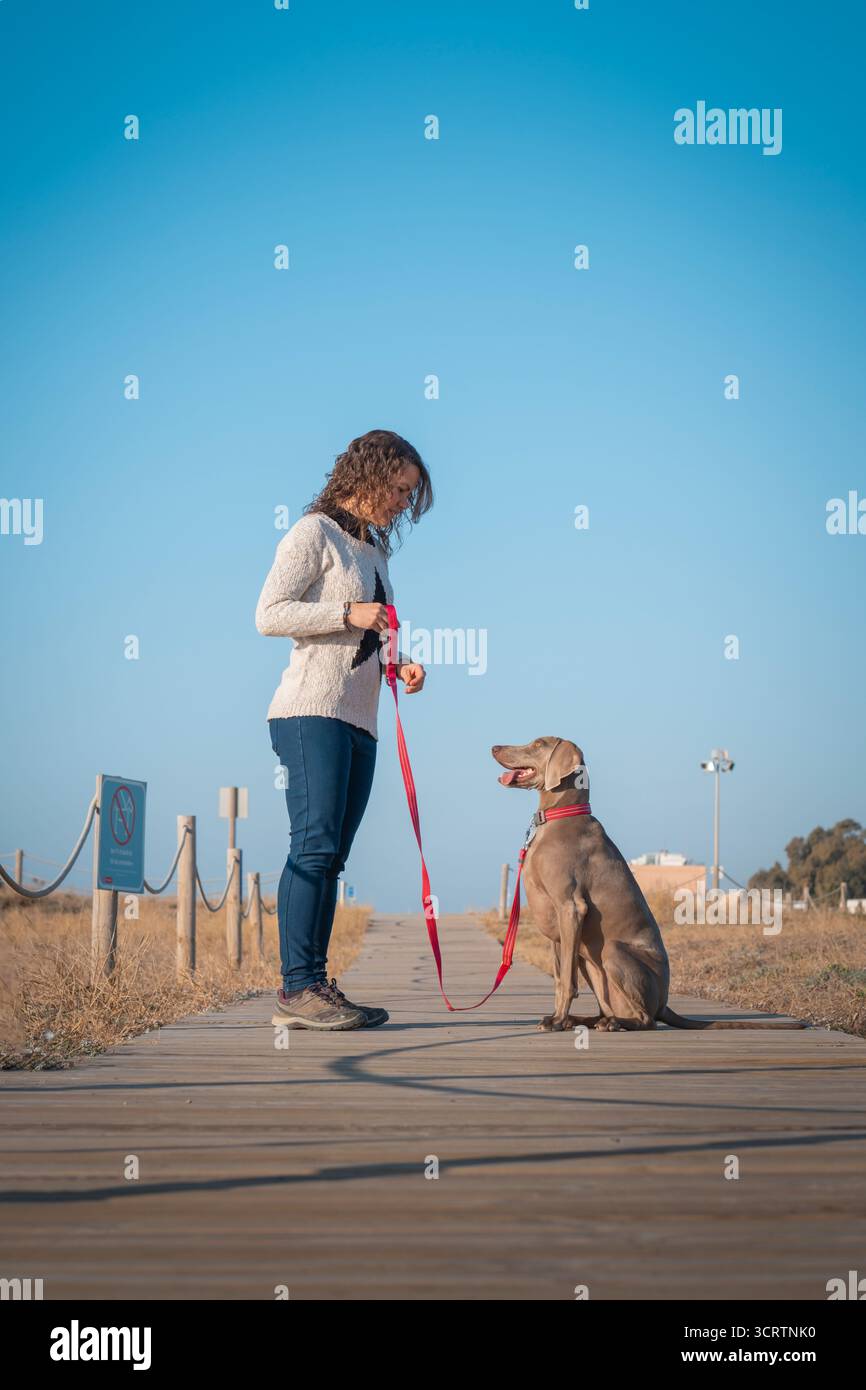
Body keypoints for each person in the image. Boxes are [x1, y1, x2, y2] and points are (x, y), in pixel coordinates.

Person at [255, 429, 432, 1030]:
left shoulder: (375, 554)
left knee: (333, 857)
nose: (404, 503)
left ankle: (314, 985)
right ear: (370, 475)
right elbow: (268, 614)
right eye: (401, 490)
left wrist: (397, 665)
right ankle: (296, 988)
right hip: (310, 713)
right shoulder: (314, 534)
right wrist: (346, 612)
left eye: (411, 494)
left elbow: (366, 642)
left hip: (361, 721)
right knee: (314, 846)